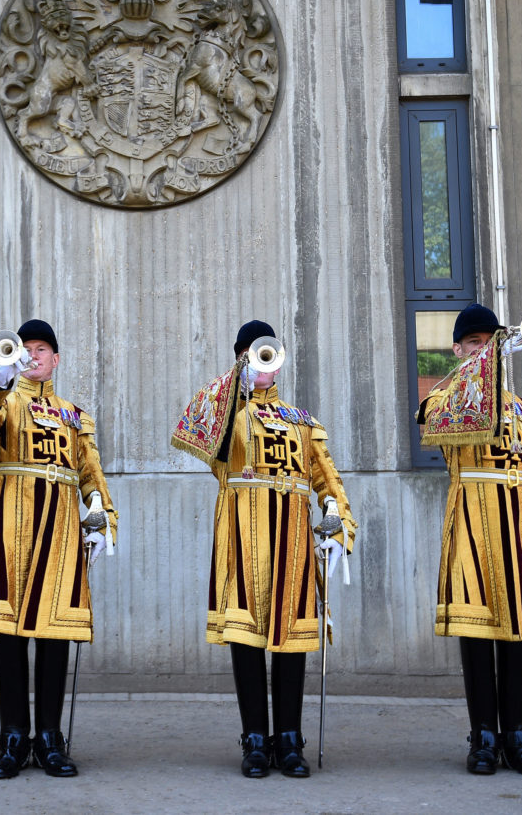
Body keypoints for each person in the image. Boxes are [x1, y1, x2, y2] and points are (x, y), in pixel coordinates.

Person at [171, 320, 356, 778]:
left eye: (266, 354)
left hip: (292, 535)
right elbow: (192, 429)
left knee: (291, 637)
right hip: (241, 533)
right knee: (246, 636)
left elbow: (325, 477)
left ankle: (289, 740)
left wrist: (336, 516)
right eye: (249, 354)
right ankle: (255, 738)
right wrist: (234, 384)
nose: (260, 362)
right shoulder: (223, 414)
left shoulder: (303, 422)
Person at [0, 319, 116, 779]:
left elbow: (91, 472)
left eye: (42, 349)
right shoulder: (5, 402)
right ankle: (14, 736)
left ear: (56, 358)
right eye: (27, 348)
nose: (34, 355)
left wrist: (101, 517)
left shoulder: (76, 415)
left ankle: (51, 738)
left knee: (55, 631)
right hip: (10, 526)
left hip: (60, 528)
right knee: (9, 631)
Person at [417, 303, 522, 777]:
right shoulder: (446, 400)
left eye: (489, 344)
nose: (482, 350)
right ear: (458, 349)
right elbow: (431, 423)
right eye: (473, 344)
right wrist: (475, 374)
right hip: (470, 520)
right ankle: (483, 734)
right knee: (477, 631)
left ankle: (517, 736)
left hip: (519, 525)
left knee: (518, 630)